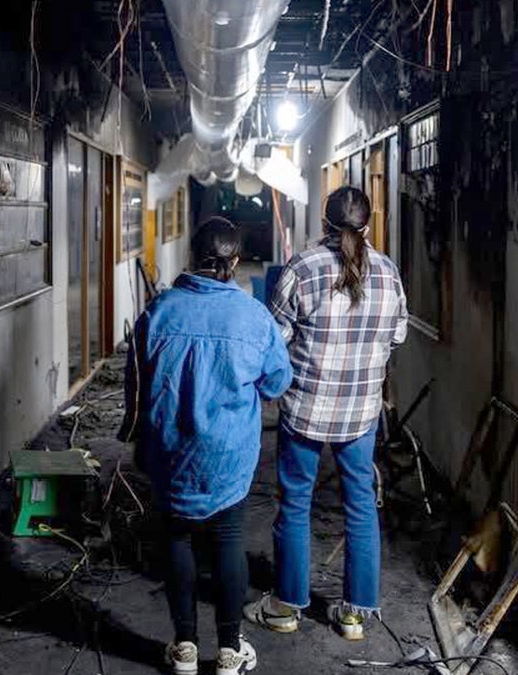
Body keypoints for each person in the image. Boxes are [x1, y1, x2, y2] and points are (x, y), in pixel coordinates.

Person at [122, 217, 291, 675]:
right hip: (229, 456)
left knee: (176, 540)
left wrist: (135, 435)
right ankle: (231, 651)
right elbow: (277, 381)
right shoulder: (254, 316)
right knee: (228, 542)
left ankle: (185, 649)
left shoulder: (160, 312)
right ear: (234, 262)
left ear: (193, 257)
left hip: (171, 450)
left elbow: (135, 383)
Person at [244, 186, 408, 640]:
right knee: (360, 504)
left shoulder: (303, 267)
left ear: (324, 223)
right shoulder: (389, 272)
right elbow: (398, 336)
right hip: (360, 413)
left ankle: (286, 608)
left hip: (306, 408)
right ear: (368, 225)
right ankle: (355, 615)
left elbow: (275, 339)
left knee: (295, 502)